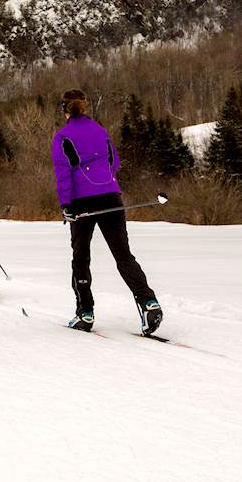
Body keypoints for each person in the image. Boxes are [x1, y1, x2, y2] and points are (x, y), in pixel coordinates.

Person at [51, 88, 163, 335]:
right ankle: (148, 302)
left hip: (81, 202)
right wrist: (105, 180)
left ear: (64, 110)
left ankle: (85, 313)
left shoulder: (62, 136)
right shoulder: (100, 130)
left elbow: (63, 173)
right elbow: (115, 161)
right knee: (123, 255)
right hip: (111, 197)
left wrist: (66, 205)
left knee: (81, 258)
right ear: (85, 106)